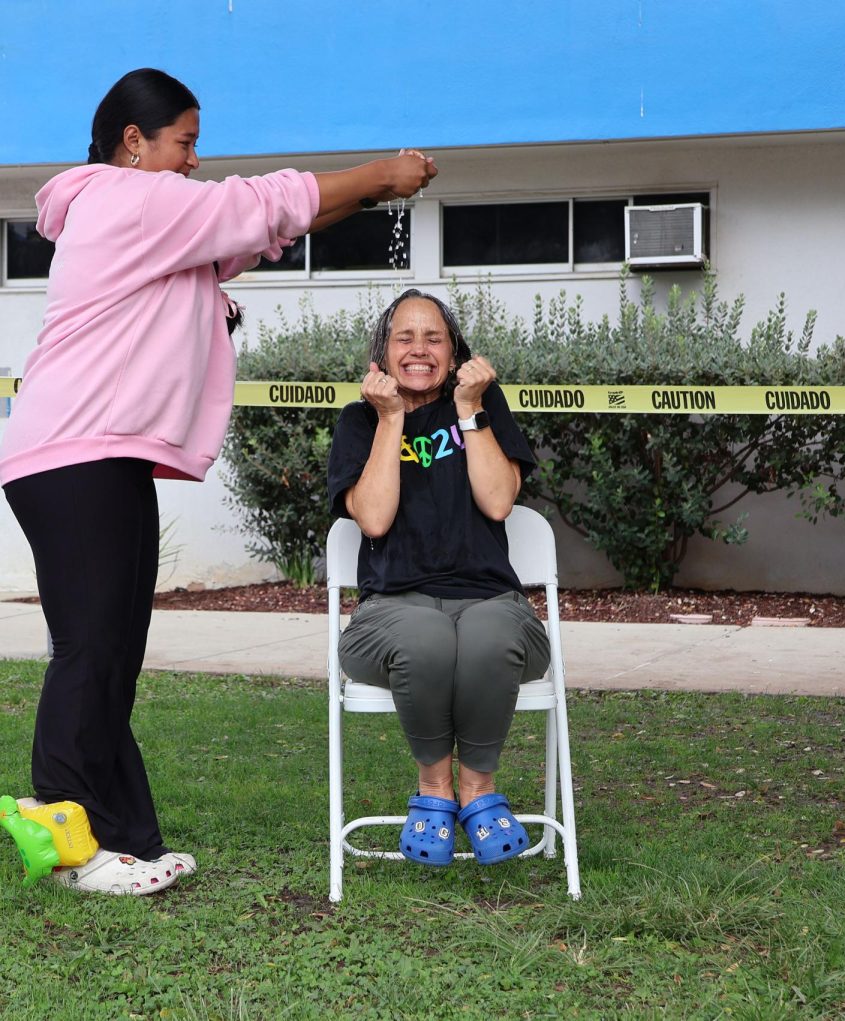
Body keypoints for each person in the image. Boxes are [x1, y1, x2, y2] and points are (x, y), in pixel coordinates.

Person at [0, 68, 437, 895]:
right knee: (90, 651)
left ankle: (122, 836)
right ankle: (62, 837)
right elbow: (262, 202)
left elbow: (262, 234)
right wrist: (381, 173)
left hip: (102, 453)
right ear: (136, 141)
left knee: (113, 654)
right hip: (71, 454)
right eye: (186, 142)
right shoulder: (125, 199)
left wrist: (375, 199)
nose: (195, 159)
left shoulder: (149, 215)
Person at [327, 289, 550, 868]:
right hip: (389, 608)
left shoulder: (484, 404)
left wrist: (470, 410)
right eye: (405, 337)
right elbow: (373, 517)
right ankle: (434, 789)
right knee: (427, 638)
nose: (419, 349)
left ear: (454, 353)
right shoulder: (359, 422)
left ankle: (478, 789)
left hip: (490, 598)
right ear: (383, 350)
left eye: (434, 338)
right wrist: (391, 418)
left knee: (486, 637)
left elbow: (499, 502)